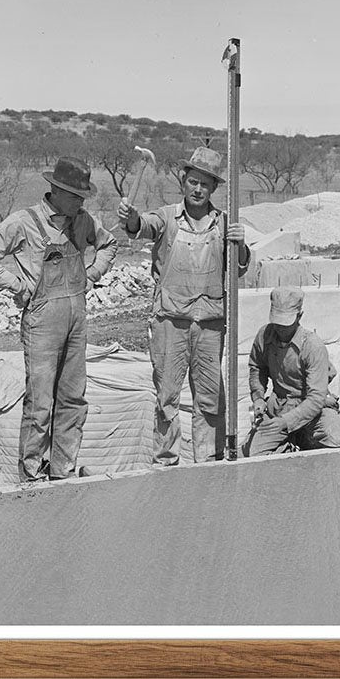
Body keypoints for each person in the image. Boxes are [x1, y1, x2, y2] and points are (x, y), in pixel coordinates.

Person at [0, 156, 117, 483]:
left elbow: (108, 244)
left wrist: (92, 275)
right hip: (42, 323)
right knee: (40, 404)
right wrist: (16, 284)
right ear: (56, 190)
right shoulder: (24, 222)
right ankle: (32, 478)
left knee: (73, 399)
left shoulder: (83, 221)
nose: (80, 201)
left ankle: (62, 473)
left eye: (82, 196)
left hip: (78, 321)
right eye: (75, 195)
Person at [117, 146, 248, 464]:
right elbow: (140, 228)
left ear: (214, 188)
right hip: (170, 323)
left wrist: (240, 243)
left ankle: (208, 461)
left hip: (210, 324)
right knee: (167, 397)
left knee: (209, 399)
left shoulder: (224, 224)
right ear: (183, 181)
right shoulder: (166, 218)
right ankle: (166, 461)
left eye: (205, 184)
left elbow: (240, 267)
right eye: (193, 182)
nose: (198, 189)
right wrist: (132, 219)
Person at [242, 286, 340, 458]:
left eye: (286, 323)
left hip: (313, 408)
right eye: (277, 322)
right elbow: (257, 367)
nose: (280, 328)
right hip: (280, 406)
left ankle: (305, 441)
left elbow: (315, 398)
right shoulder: (265, 335)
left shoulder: (312, 346)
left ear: (299, 316)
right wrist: (258, 397)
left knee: (334, 436)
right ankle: (287, 446)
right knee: (254, 452)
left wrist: (287, 422)